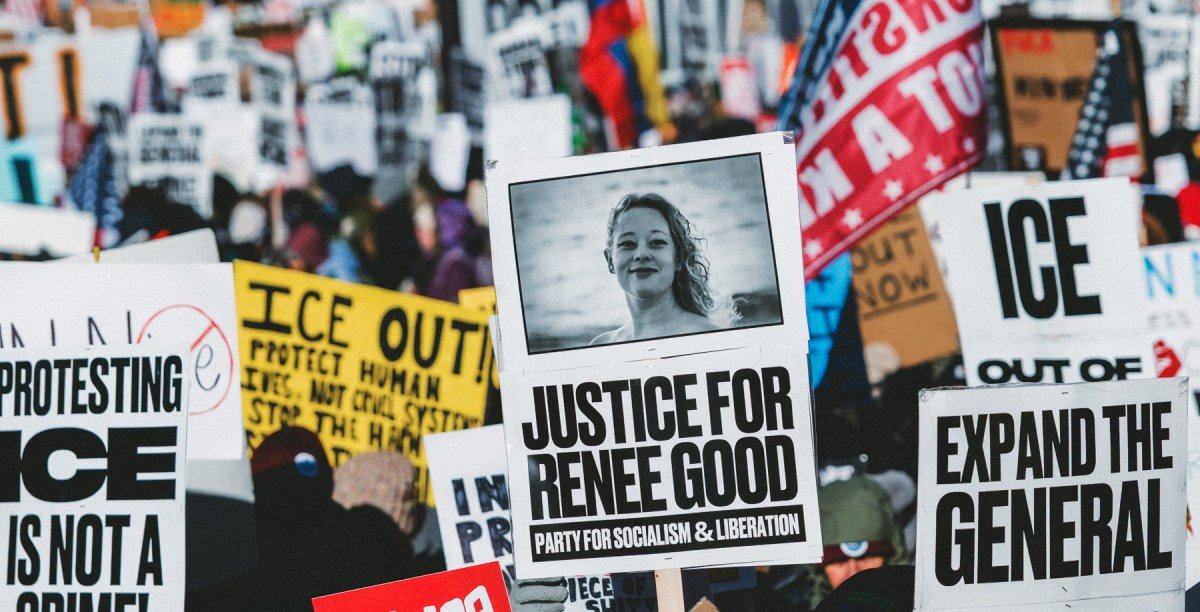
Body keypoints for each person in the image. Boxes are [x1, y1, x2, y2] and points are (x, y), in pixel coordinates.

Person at [591, 193, 733, 345]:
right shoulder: (600, 345)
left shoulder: (709, 337)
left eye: (657, 242)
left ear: (678, 258)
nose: (641, 254)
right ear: (610, 261)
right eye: (627, 243)